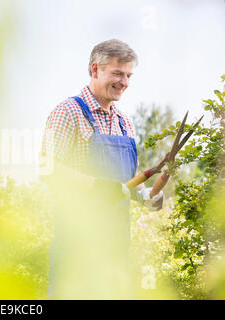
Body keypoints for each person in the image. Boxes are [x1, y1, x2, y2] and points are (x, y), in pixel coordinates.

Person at [40, 39, 164, 299]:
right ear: (95, 70)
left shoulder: (124, 122)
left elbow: (130, 176)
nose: (125, 82)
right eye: (118, 73)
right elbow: (47, 168)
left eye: (129, 75)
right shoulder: (67, 112)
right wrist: (98, 186)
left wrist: (145, 195)